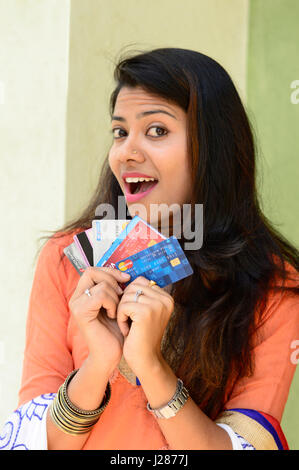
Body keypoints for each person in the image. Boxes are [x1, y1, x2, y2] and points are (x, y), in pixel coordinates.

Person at [1, 47, 298, 451]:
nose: (127, 152)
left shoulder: (274, 286)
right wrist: (99, 363)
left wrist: (152, 367)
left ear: (214, 148)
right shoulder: (66, 259)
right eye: (120, 132)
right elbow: (34, 442)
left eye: (157, 130)